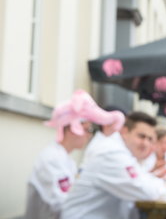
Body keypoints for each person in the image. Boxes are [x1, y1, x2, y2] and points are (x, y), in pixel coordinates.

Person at [24, 89, 125, 219]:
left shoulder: (64, 158)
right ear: (73, 128)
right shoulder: (52, 159)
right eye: (88, 129)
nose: (89, 135)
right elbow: (63, 204)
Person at [61, 111, 166, 219]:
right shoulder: (111, 153)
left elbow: (143, 180)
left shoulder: (122, 153)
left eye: (150, 139)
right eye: (141, 136)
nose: (145, 143)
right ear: (124, 132)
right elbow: (144, 190)